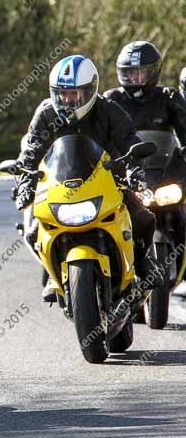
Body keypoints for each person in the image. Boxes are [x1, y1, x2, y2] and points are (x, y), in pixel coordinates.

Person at [14, 55, 161, 302]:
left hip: (107, 182)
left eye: (75, 94)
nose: (68, 100)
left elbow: (129, 140)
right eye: (62, 94)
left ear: (90, 90)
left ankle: (142, 264)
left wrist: (134, 169)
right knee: (32, 232)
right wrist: (25, 182)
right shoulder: (46, 113)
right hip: (59, 187)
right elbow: (30, 152)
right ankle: (53, 274)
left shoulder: (107, 110)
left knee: (143, 219)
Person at [104, 41, 186, 144]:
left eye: (141, 72)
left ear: (153, 71)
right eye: (131, 72)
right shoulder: (112, 99)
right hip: (124, 159)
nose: (134, 78)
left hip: (163, 159)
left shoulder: (168, 97)